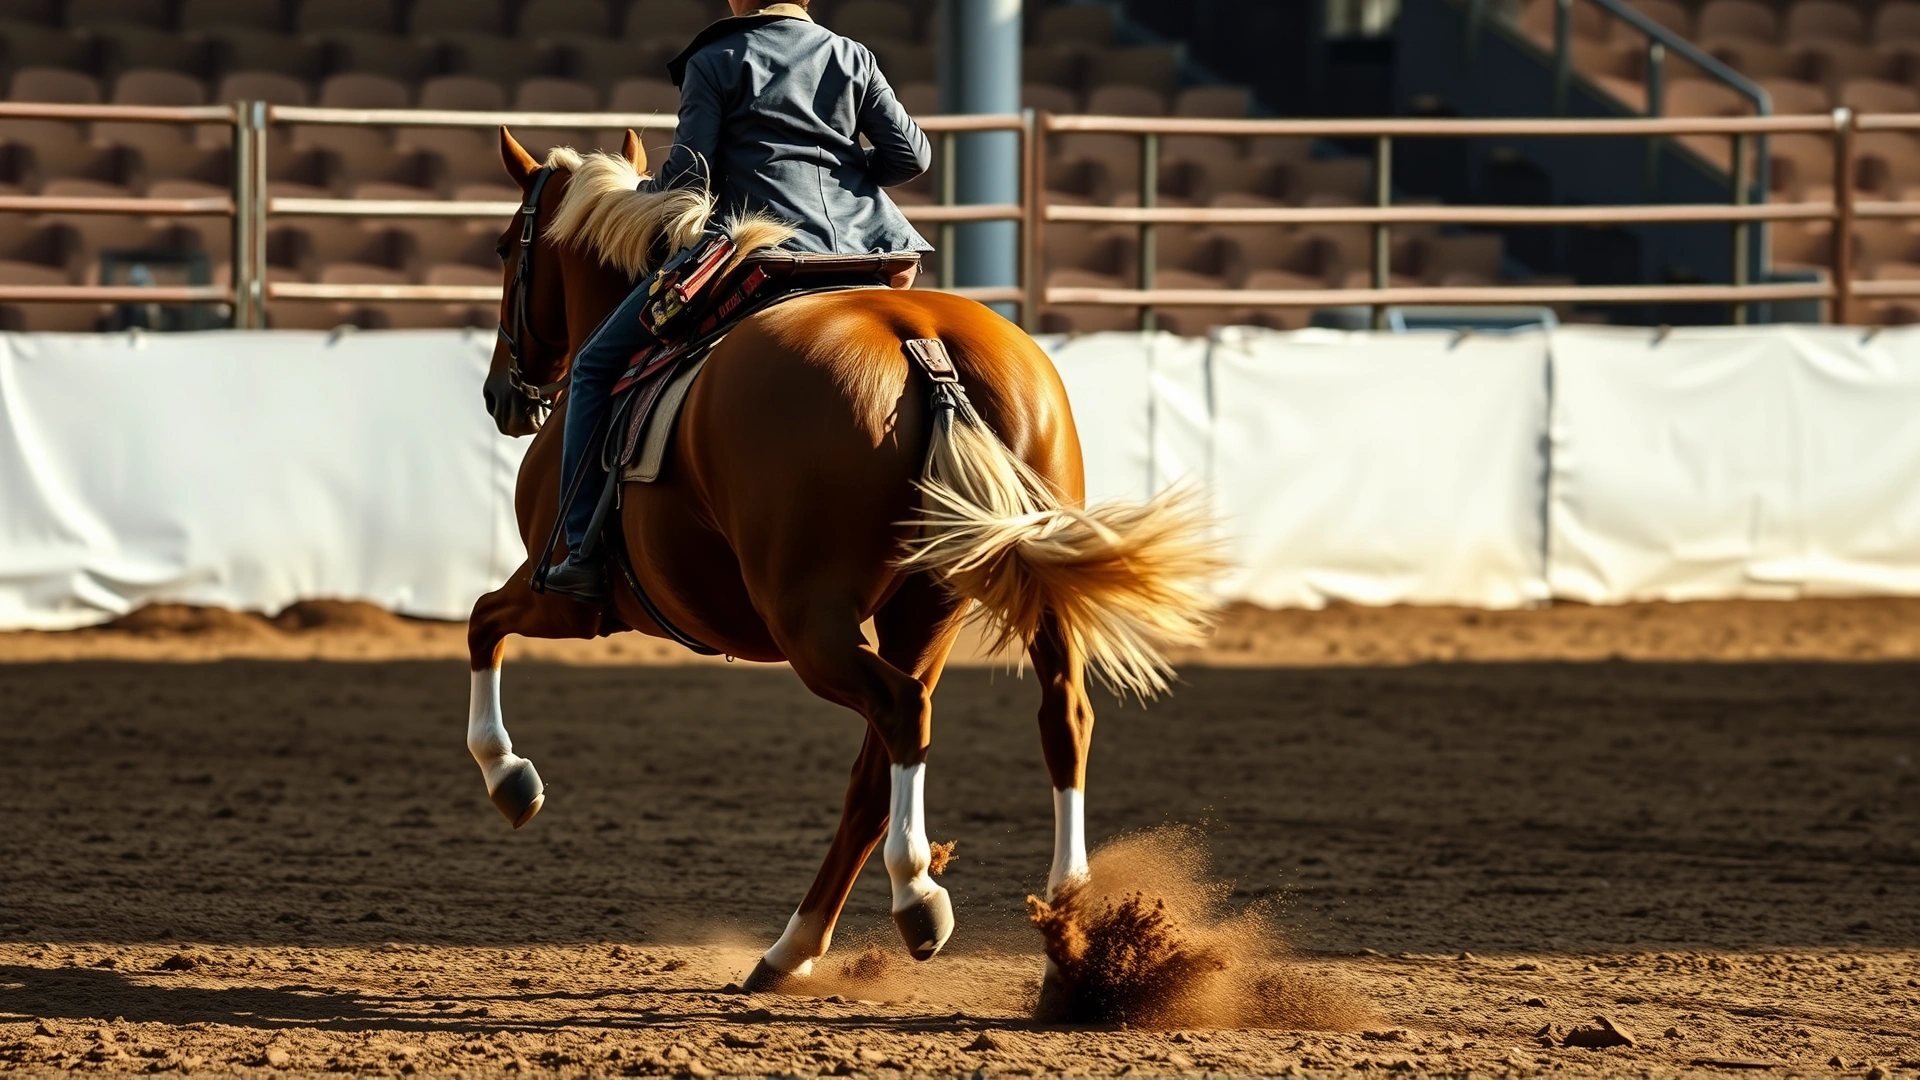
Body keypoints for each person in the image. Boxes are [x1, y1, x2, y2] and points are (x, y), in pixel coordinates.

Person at [541, 0, 934, 605]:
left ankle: (579, 555)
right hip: (869, 255)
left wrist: (640, 193)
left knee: (593, 366)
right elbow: (912, 157)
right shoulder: (852, 54)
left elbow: (691, 178)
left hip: (755, 256)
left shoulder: (717, 56)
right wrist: (848, 178)